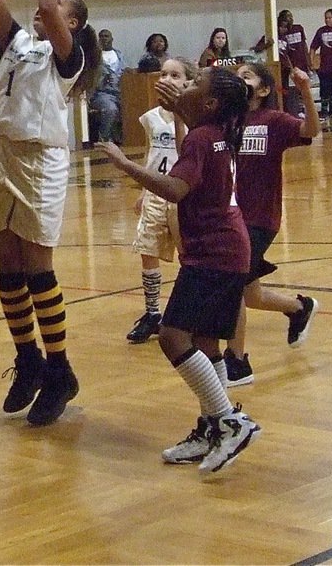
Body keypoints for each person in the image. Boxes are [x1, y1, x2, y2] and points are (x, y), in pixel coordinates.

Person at [0, 0, 102, 427]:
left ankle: (60, 368)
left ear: (71, 23)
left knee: (37, 269)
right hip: (1, 153)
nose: (46, 9)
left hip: (42, 159)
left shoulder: (65, 57)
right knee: (6, 266)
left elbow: (47, 1)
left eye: (61, 9)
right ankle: (27, 358)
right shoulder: (16, 43)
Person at [97, 67, 260, 476]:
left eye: (191, 84)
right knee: (205, 343)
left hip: (214, 254)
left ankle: (228, 422)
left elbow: (174, 188)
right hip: (227, 250)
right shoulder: (213, 130)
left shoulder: (203, 138)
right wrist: (180, 112)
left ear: (208, 103)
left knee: (172, 336)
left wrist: (124, 163)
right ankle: (211, 429)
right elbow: (195, 144)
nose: (182, 86)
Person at [222, 62, 320, 386]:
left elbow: (310, 131)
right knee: (248, 294)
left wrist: (304, 90)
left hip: (261, 217)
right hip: (231, 215)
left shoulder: (273, 121)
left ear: (263, 89)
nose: (240, 81)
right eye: (236, 77)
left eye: (247, 76)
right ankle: (297, 308)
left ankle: (236, 362)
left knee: (232, 285)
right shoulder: (227, 122)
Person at [123, 56, 195, 344]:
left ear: (189, 82)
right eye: (163, 74)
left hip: (181, 192)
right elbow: (151, 153)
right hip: (156, 191)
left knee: (187, 255)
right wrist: (142, 190)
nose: (166, 79)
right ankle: (152, 312)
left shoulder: (195, 116)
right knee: (147, 250)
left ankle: (188, 312)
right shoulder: (151, 117)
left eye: (174, 75)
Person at [253, 10, 310, 117]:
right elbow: (256, 49)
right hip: (273, 68)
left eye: (286, 27)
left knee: (285, 90)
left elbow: (286, 54)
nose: (283, 29)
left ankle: (288, 110)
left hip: (285, 69)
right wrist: (266, 45)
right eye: (282, 27)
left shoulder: (285, 38)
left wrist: (291, 67)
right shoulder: (269, 36)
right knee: (274, 90)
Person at [89, 28, 125, 143]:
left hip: (120, 92)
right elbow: (90, 76)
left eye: (106, 36)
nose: (104, 39)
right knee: (111, 109)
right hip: (102, 93)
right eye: (101, 36)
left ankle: (123, 138)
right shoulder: (95, 56)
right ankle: (103, 138)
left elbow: (125, 71)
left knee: (132, 107)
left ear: (112, 39)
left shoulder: (119, 54)